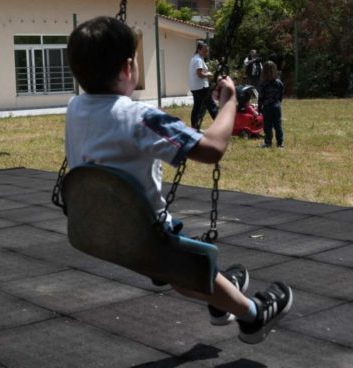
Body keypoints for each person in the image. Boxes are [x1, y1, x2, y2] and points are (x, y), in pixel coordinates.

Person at [65, 17, 293, 344]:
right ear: (129, 67)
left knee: (181, 263)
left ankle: (219, 300)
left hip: (93, 231)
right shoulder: (138, 117)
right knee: (181, 267)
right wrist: (228, 103)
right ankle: (253, 314)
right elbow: (212, 148)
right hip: (143, 238)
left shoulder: (75, 108)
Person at [189, 41, 218, 129]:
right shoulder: (198, 60)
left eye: (207, 51)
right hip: (201, 87)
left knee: (197, 107)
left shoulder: (195, 58)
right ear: (199, 50)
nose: (206, 53)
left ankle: (194, 126)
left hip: (195, 87)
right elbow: (200, 74)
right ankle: (220, 126)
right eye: (205, 51)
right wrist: (209, 74)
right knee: (211, 106)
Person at [258, 60, 284, 148]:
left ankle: (268, 142)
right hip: (276, 106)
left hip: (267, 107)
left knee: (267, 126)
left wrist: (259, 108)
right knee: (278, 125)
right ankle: (280, 143)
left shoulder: (263, 84)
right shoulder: (279, 82)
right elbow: (281, 95)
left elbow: (261, 97)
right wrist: (278, 102)